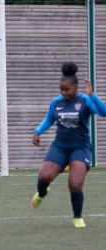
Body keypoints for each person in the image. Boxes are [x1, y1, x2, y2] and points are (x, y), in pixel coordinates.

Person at [31, 62, 106, 228]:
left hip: (80, 147)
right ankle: (42, 193)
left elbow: (104, 112)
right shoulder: (56, 102)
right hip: (60, 146)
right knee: (43, 176)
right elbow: (50, 119)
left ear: (76, 87)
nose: (64, 93)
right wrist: (37, 132)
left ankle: (77, 217)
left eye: (67, 90)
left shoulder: (86, 100)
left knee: (75, 183)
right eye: (61, 90)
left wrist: (93, 95)